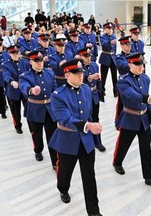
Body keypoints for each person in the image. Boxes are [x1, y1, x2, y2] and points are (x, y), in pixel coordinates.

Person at [49, 59, 103, 216]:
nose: (81, 76)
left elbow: (90, 114)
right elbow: (65, 119)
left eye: (81, 72)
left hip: (86, 140)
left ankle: (94, 212)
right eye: (76, 73)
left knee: (89, 177)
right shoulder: (58, 95)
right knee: (65, 172)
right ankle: (63, 189)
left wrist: (94, 132)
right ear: (67, 75)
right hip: (67, 140)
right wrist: (88, 126)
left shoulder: (86, 89)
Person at [112, 52, 151, 189]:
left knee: (146, 149)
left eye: (142, 64)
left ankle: (149, 177)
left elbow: (146, 102)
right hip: (130, 118)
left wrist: (150, 114)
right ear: (129, 64)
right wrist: (150, 99)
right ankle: (117, 162)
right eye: (137, 64)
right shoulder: (123, 81)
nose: (141, 67)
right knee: (123, 144)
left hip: (144, 119)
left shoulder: (145, 79)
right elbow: (132, 96)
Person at [19, 50, 58, 169]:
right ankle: (38, 150)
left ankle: (55, 162)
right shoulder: (25, 76)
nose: (40, 63)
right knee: (37, 134)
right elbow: (23, 86)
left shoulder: (50, 73)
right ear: (30, 62)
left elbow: (55, 89)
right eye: (36, 60)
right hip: (34, 109)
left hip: (49, 109)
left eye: (41, 60)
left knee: (52, 136)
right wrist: (31, 90)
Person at [78, 47, 106, 152]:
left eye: (89, 55)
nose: (88, 58)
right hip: (83, 95)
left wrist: (100, 91)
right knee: (85, 119)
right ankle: (86, 141)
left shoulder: (94, 65)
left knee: (95, 118)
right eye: (86, 56)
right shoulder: (78, 66)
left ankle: (98, 142)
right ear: (80, 56)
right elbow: (79, 78)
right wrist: (89, 77)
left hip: (94, 94)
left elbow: (98, 80)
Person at [1, 45, 30, 134]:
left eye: (17, 52)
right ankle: (18, 125)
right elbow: (6, 75)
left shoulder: (25, 62)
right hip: (13, 91)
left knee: (29, 110)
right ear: (9, 54)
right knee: (15, 111)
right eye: (13, 53)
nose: (15, 54)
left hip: (25, 90)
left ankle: (32, 126)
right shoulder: (6, 65)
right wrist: (12, 82)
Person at [98, 22, 118, 97]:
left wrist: (115, 56)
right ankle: (102, 90)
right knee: (103, 76)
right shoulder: (102, 36)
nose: (110, 30)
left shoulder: (113, 36)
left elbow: (115, 48)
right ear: (105, 29)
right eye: (108, 28)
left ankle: (115, 91)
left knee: (114, 76)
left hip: (113, 58)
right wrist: (110, 42)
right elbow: (103, 44)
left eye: (111, 28)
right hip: (105, 57)